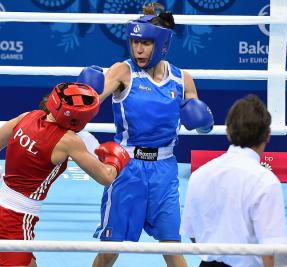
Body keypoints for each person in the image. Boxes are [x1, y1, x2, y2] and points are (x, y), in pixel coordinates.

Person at [0, 67, 130, 267]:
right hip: (16, 219)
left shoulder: (28, 116)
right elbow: (106, 177)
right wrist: (115, 158)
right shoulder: (68, 141)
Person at [91, 3, 214, 267]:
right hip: (127, 169)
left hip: (164, 172)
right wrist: (86, 93)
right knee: (110, 249)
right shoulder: (123, 71)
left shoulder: (182, 80)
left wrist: (203, 120)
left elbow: (204, 126)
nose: (138, 49)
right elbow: (94, 99)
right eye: (135, 42)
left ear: (162, 44)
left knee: (171, 247)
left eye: (145, 43)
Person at [180, 94, 287, 267]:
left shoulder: (199, 175)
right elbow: (275, 252)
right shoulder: (266, 182)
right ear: (267, 135)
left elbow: (192, 233)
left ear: (228, 132)